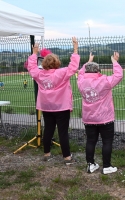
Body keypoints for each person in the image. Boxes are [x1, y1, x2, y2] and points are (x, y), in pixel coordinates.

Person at [25, 37, 80, 165]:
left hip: (47, 106)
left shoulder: (39, 74)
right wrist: (75, 50)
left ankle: (47, 153)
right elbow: (73, 66)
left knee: (48, 129)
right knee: (63, 132)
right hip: (61, 107)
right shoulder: (62, 73)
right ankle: (66, 156)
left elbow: (31, 68)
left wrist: (34, 54)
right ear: (57, 63)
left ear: (44, 64)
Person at [77, 52, 123, 174]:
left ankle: (91, 164)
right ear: (98, 70)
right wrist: (115, 61)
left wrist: (88, 62)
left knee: (91, 141)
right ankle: (106, 166)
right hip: (105, 118)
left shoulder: (81, 81)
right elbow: (118, 75)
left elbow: (80, 73)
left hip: (89, 118)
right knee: (107, 141)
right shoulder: (105, 81)